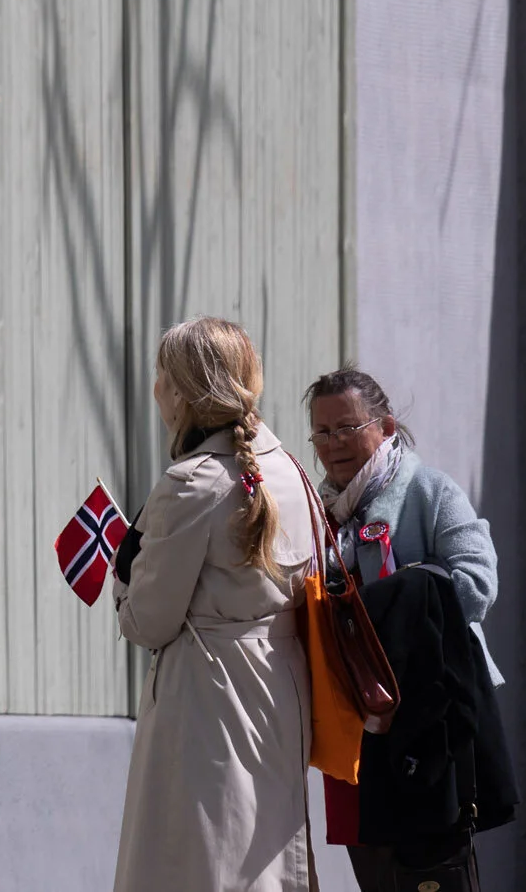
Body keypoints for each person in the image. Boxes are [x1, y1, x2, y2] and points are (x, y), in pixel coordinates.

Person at [112, 317, 318, 892]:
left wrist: (124, 574)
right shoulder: (292, 471)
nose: (155, 388)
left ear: (181, 391)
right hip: (281, 690)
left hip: (208, 701)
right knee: (263, 861)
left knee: (202, 861)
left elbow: (148, 621)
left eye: (161, 374)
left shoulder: (192, 483)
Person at [304, 367, 502, 887]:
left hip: (426, 720)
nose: (333, 444)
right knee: (374, 871)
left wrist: (401, 603)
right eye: (322, 432)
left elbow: (477, 585)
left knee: (432, 871)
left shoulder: (430, 490)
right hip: (353, 724)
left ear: (386, 427)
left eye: (347, 428)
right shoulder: (314, 515)